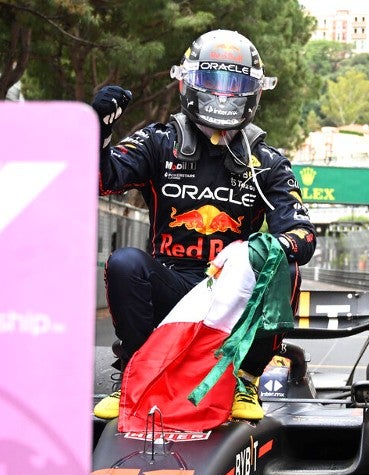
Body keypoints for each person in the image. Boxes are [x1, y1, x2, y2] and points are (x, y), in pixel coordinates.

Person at [91, 29, 316, 421]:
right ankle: (137, 374)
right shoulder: (159, 143)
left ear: (254, 91)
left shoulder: (269, 162)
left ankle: (245, 378)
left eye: (235, 85)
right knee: (125, 262)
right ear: (189, 82)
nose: (223, 94)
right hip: (172, 286)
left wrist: (270, 249)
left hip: (234, 294)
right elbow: (100, 178)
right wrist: (96, 131)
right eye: (213, 81)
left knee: (284, 265)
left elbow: (303, 235)